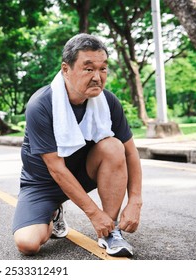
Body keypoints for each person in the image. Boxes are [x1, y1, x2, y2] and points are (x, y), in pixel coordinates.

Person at [12, 33, 142, 257]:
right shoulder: (41, 105)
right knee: (27, 244)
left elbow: (130, 153)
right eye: (88, 68)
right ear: (66, 69)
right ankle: (54, 214)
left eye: (103, 69)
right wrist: (93, 213)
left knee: (113, 146)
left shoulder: (108, 102)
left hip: (83, 173)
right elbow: (56, 169)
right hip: (43, 183)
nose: (97, 77)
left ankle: (109, 231)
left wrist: (135, 200)